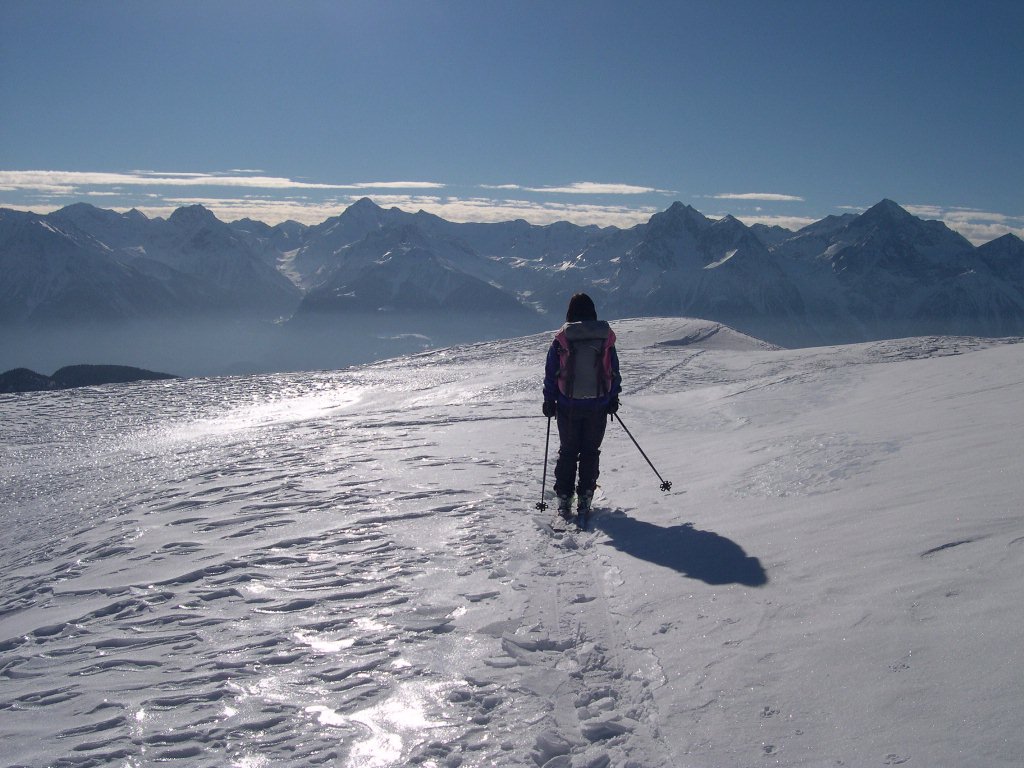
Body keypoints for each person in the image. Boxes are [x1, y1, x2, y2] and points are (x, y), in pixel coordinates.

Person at [542, 292, 621, 521]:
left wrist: (549, 399)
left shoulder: (562, 338)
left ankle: (565, 499)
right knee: (590, 452)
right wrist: (612, 397)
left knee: (568, 452)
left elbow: (551, 372)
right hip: (598, 404)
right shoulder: (604, 337)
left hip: (568, 405)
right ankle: (585, 497)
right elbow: (613, 370)